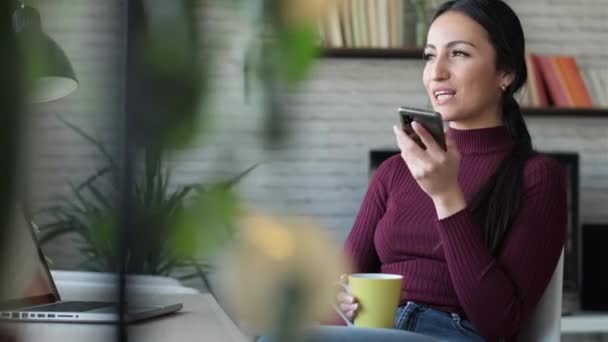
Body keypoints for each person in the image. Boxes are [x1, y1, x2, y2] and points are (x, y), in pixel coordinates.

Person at [336, 0, 567, 341]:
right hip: (376, 330)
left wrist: (446, 196)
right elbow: (340, 288)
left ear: (506, 73)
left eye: (458, 54)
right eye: (430, 55)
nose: (436, 72)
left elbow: (500, 326)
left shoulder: (537, 176)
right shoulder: (394, 171)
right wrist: (339, 301)